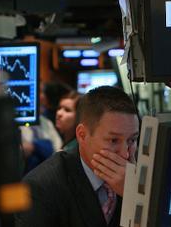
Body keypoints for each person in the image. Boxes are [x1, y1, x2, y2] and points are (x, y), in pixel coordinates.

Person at [15, 86, 140, 227]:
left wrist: (135, 197)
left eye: (132, 140)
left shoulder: (137, 181)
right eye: (113, 140)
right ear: (82, 135)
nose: (126, 153)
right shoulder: (40, 188)